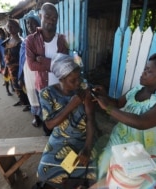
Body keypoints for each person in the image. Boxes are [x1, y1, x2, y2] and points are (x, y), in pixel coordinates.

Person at [93, 53, 156, 188]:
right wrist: (103, 95)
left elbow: (142, 122)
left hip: (149, 150)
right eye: (145, 68)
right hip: (123, 141)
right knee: (106, 168)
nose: (143, 73)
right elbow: (118, 103)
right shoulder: (137, 90)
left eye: (149, 71)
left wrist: (108, 108)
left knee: (138, 181)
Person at [36, 54, 97, 189]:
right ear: (61, 79)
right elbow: (50, 125)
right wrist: (72, 104)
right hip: (59, 139)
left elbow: (91, 120)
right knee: (44, 172)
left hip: (84, 138)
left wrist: (87, 149)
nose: (77, 83)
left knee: (94, 172)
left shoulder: (83, 89)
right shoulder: (47, 93)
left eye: (79, 77)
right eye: (72, 80)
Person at [26, 2, 69, 135]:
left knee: (62, 118)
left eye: (54, 18)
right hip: (43, 89)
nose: (51, 20)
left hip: (60, 87)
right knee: (48, 121)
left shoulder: (62, 40)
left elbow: (64, 65)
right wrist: (55, 64)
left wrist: (43, 60)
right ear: (41, 16)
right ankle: (49, 140)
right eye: (48, 16)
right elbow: (31, 65)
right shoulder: (31, 40)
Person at [2, 19, 30, 110]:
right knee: (15, 85)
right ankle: (21, 100)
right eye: (8, 26)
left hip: (19, 68)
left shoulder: (22, 42)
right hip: (10, 68)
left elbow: (24, 58)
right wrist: (6, 66)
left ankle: (27, 103)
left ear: (18, 28)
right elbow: (5, 55)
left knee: (22, 85)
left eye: (12, 26)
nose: (10, 28)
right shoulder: (7, 41)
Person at [20, 10, 41, 126]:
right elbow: (21, 59)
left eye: (33, 23)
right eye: (28, 23)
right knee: (32, 94)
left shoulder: (44, 39)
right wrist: (20, 76)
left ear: (39, 24)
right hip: (28, 72)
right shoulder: (25, 41)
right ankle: (36, 117)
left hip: (40, 72)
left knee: (42, 95)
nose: (30, 26)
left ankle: (45, 119)